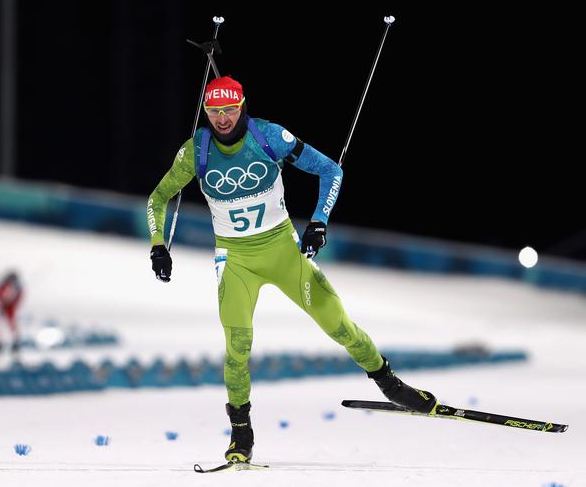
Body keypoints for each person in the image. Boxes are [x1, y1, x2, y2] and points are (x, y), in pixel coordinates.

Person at [147, 76, 437, 463]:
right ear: (206, 112)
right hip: (236, 261)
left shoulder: (270, 137)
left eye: (230, 110)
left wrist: (318, 222)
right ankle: (241, 434)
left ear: (242, 106)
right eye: (214, 112)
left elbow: (331, 171)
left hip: (284, 253)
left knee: (339, 326)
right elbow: (159, 197)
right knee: (237, 347)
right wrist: (158, 246)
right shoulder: (195, 151)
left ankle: (390, 383)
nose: (222, 119)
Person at [0, 270, 23, 354]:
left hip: (10, 309)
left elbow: (19, 297)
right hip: (3, 308)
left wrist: (11, 301)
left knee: (11, 326)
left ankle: (14, 344)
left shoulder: (17, 287)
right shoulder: (3, 285)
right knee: (1, 326)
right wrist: (2, 300)